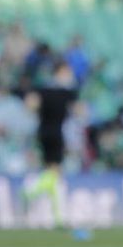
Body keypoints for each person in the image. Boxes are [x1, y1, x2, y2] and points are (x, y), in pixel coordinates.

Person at [24, 62, 79, 227]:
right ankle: (32, 190)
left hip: (42, 131)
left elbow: (30, 104)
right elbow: (79, 111)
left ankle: (56, 217)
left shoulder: (42, 89)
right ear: (61, 71)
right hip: (56, 132)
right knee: (55, 173)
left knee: (50, 171)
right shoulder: (67, 92)